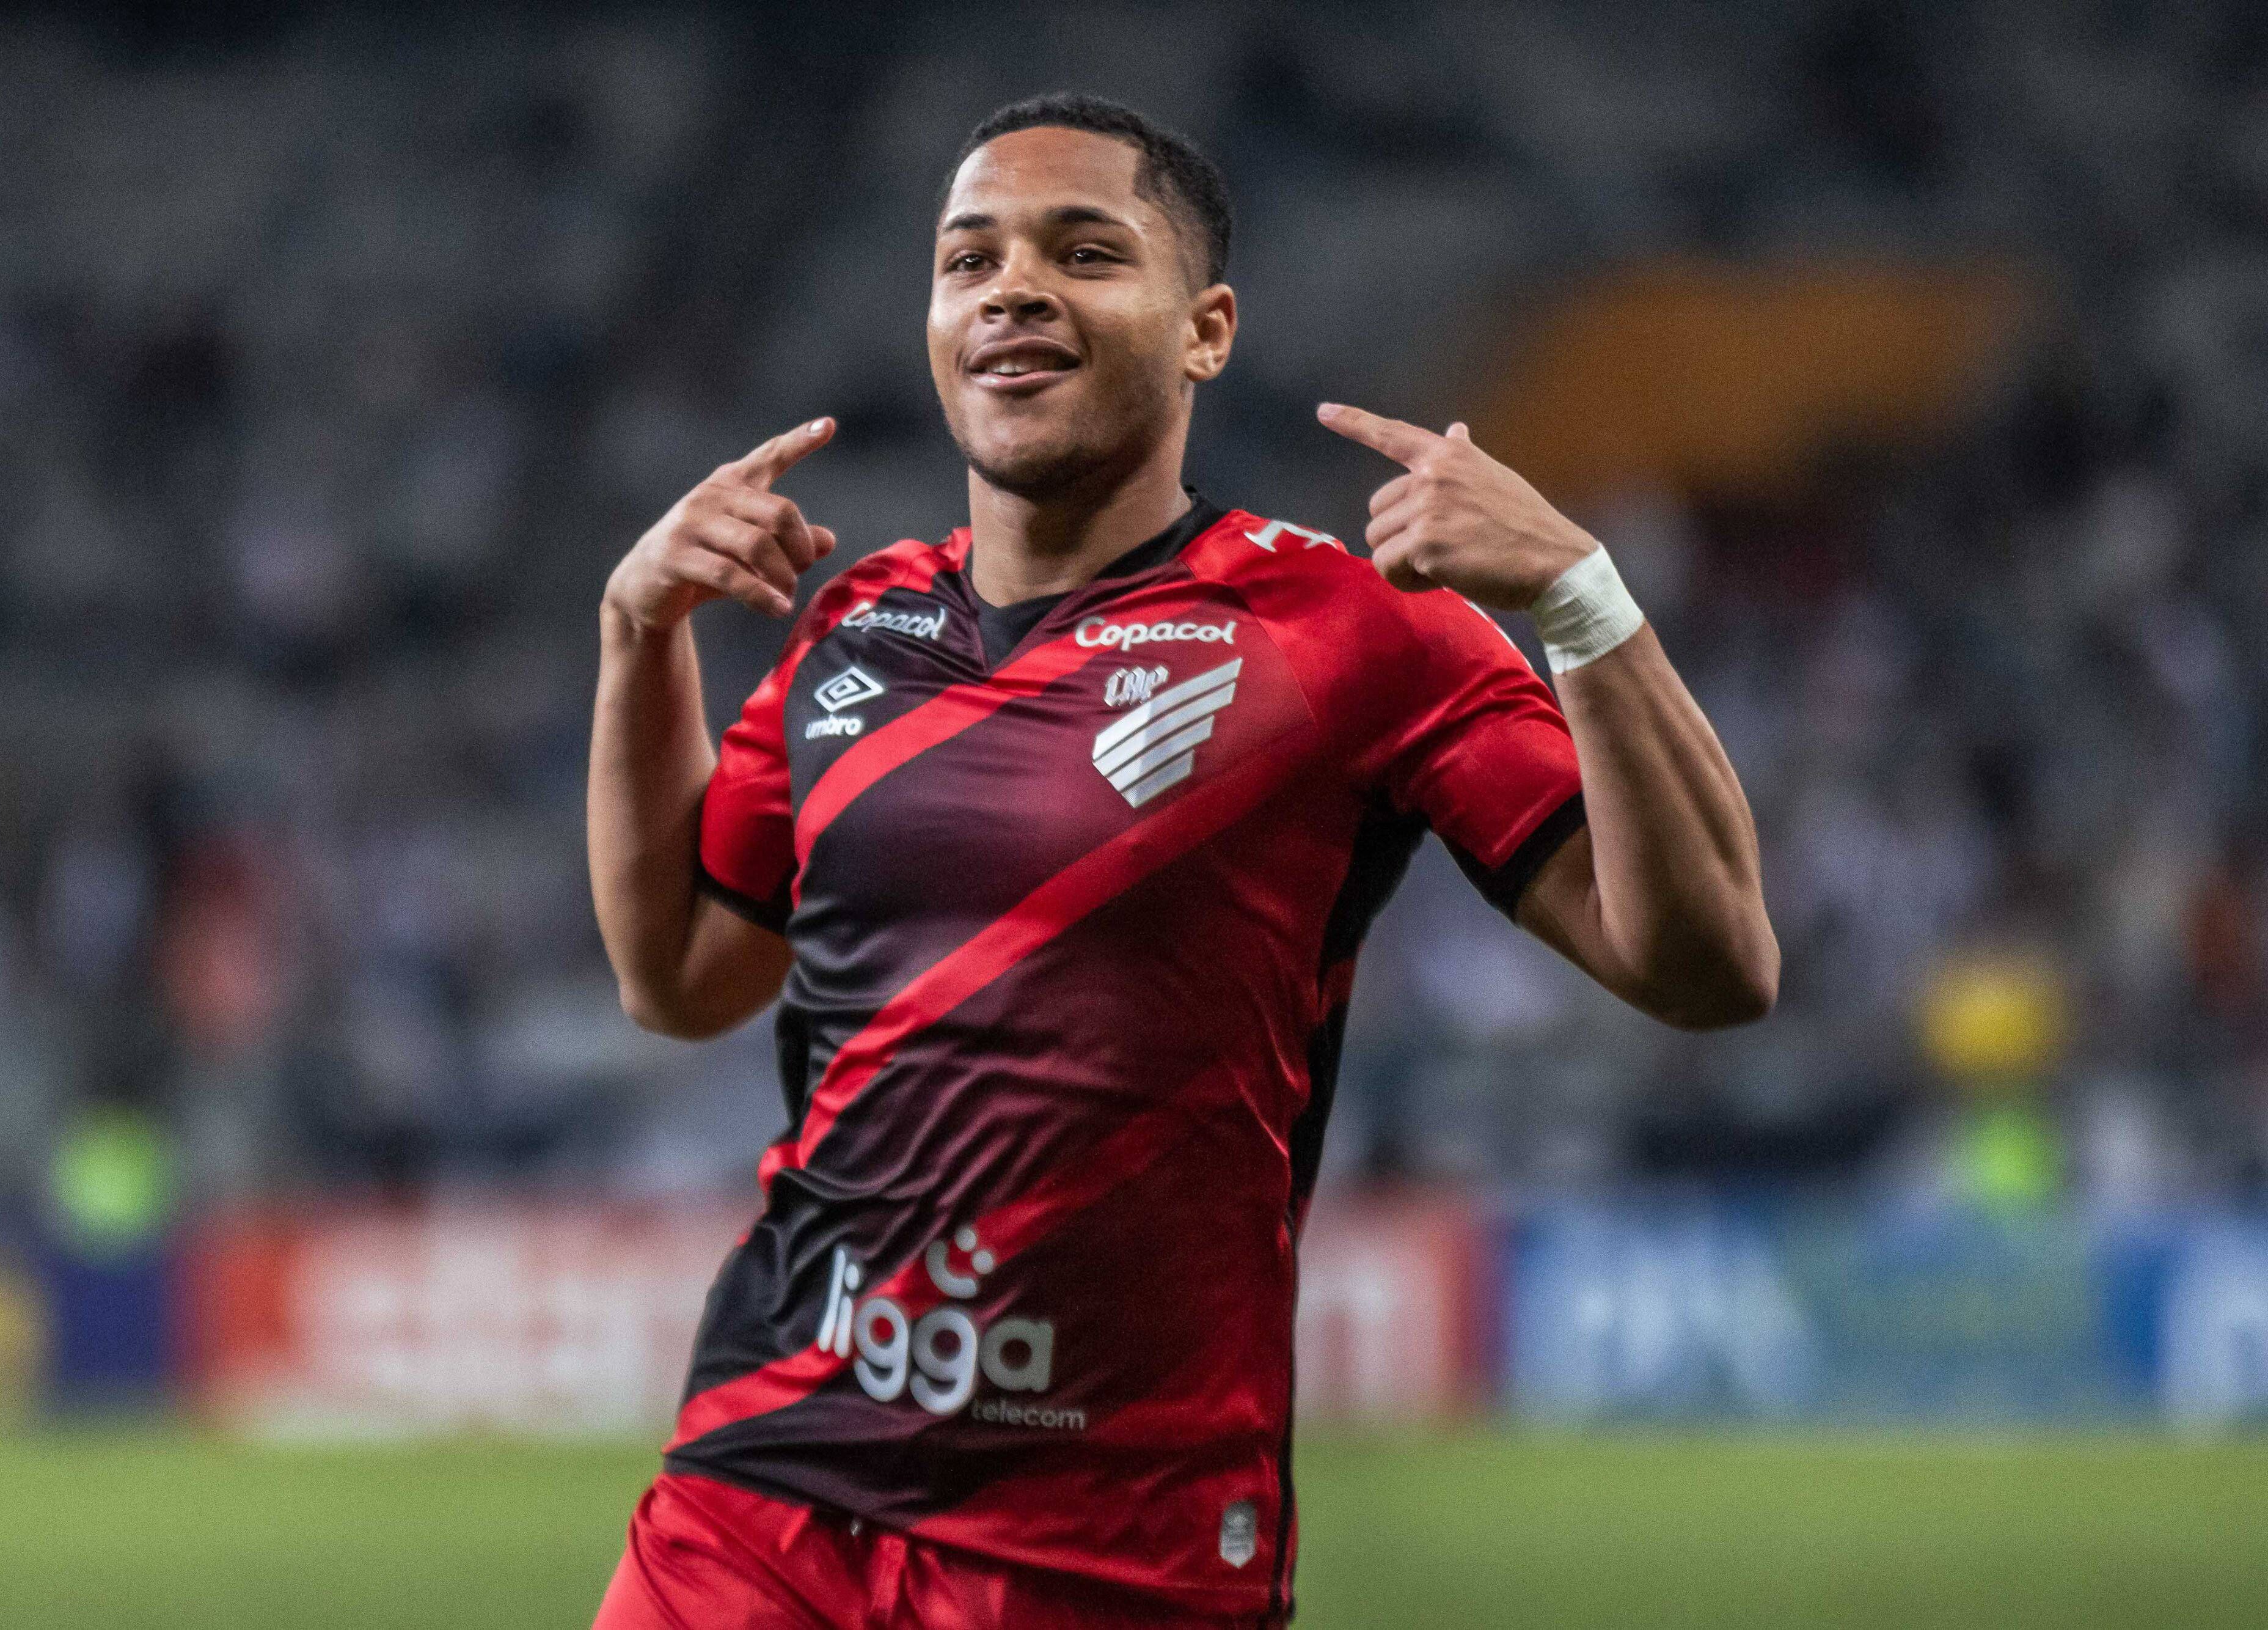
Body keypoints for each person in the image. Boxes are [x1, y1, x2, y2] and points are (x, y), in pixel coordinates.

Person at [586, 92, 1776, 1630]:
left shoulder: (1351, 631)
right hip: (761, 1488)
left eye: (1084, 252)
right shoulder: (851, 626)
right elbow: (679, 976)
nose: (1011, 286)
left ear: (1205, 328)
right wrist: (636, 636)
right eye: (969, 260)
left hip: (1109, 1547)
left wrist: (1578, 599)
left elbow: (1708, 963)